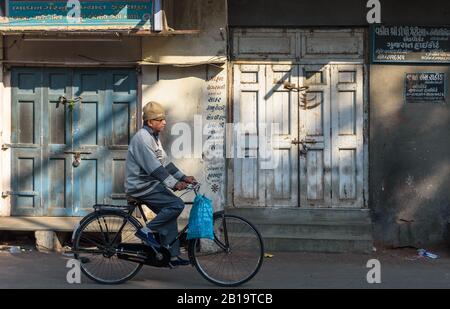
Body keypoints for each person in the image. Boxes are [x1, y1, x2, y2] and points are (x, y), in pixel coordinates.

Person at [124, 101, 197, 267]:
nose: (164, 122)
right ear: (150, 122)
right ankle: (145, 231)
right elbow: (155, 168)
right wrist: (174, 184)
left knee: (169, 214)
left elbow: (165, 162)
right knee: (176, 204)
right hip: (141, 186)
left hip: (149, 185)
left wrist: (184, 177)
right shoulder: (142, 139)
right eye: (160, 119)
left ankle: (172, 256)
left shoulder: (153, 138)